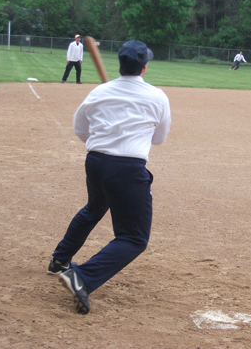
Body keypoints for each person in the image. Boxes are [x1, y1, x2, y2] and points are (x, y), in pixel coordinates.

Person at [48, 40, 171, 314]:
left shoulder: (99, 92)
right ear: (144, 67)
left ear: (121, 64)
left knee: (94, 209)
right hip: (127, 169)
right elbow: (160, 138)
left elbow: (80, 128)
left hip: (96, 161)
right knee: (134, 238)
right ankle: (82, 277)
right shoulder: (157, 96)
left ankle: (59, 260)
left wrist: (104, 142)